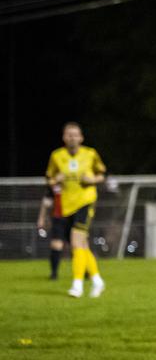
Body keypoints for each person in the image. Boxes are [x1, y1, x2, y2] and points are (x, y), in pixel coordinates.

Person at [45, 122, 106, 298]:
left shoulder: (90, 154)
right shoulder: (56, 156)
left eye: (75, 134)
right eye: (69, 134)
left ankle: (77, 285)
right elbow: (49, 180)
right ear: (64, 137)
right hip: (66, 206)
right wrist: (56, 179)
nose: (72, 137)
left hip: (85, 203)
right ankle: (97, 280)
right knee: (83, 245)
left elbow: (102, 174)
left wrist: (92, 180)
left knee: (76, 241)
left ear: (81, 137)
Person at [36, 184, 65, 280]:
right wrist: (41, 218)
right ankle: (54, 273)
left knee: (79, 244)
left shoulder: (75, 179)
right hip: (58, 217)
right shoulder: (54, 182)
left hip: (74, 217)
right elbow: (46, 201)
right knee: (56, 244)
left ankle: (87, 272)